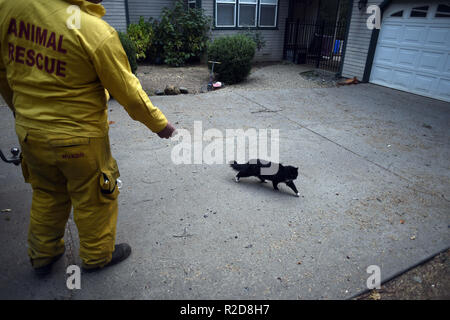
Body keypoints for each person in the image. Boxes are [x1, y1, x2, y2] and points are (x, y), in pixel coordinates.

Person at [0, 0, 176, 275]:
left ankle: (42, 256)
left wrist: (19, 111)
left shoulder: (10, 8)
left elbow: (3, 74)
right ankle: (97, 256)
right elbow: (128, 91)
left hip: (30, 133)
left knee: (47, 193)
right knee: (94, 198)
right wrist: (161, 125)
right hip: (79, 140)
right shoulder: (94, 31)